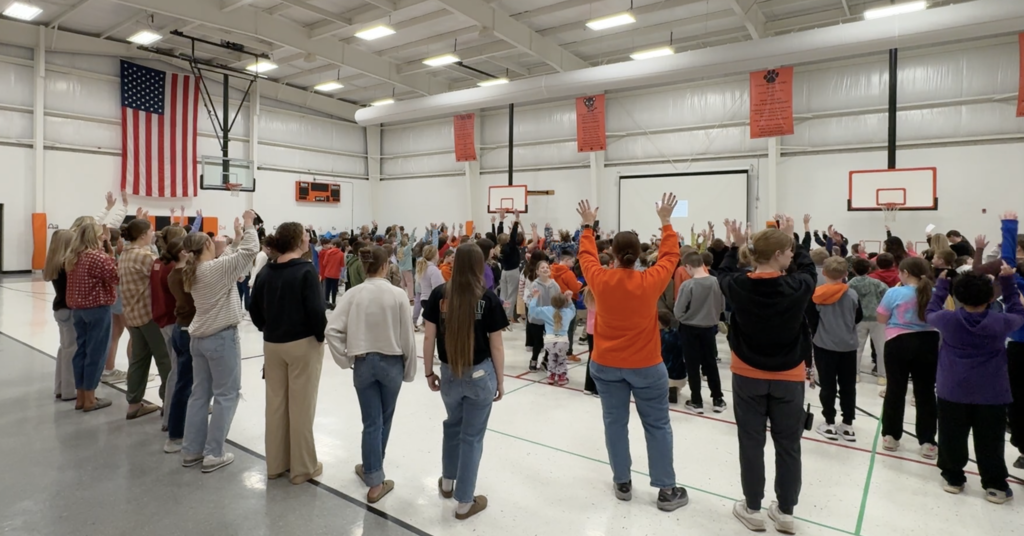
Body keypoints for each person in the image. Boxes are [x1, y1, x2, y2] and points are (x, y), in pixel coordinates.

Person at [576, 195, 688, 512]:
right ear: (639, 254)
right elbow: (671, 255)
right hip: (646, 366)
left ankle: (622, 482)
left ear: (612, 254)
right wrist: (666, 222)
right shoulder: (649, 281)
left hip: (605, 364)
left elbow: (586, 256)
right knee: (657, 426)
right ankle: (666, 489)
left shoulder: (600, 279)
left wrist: (587, 226)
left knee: (615, 424)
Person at [716, 216, 814, 534]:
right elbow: (809, 269)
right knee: (789, 444)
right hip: (789, 376)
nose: (792, 254)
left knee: (751, 441)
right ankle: (785, 512)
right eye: (788, 250)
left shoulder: (739, 286)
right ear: (778, 255)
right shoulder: (797, 286)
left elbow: (723, 271)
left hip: (748, 373)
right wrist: (794, 237)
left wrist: (734, 244)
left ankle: (753, 508)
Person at [422, 243, 507, 520]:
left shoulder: (439, 295)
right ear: (479, 265)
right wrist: (500, 381)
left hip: (448, 373)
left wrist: (428, 372)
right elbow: (497, 346)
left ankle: (448, 482)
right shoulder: (488, 298)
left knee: (452, 426)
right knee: (472, 437)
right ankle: (464, 502)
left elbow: (429, 337)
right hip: (480, 375)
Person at [326, 246, 417, 503]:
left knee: (371, 422)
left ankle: (371, 468)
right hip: (391, 364)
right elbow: (407, 337)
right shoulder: (398, 295)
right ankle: (375, 479)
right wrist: (409, 370)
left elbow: (331, 330)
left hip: (363, 363)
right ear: (386, 266)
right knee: (384, 420)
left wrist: (345, 359)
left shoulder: (353, 294)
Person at [928, 266, 1023, 503]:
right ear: (991, 298)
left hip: (953, 388)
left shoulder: (947, 319)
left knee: (951, 434)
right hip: (991, 391)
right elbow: (1018, 311)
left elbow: (930, 310)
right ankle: (995, 484)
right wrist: (1009, 283)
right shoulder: (1000, 322)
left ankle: (953, 478)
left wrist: (941, 286)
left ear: (958, 296)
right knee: (991, 439)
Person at [179, 210, 259, 473]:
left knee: (200, 394)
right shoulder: (215, 269)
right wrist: (249, 225)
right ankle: (214, 453)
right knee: (227, 394)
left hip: (199, 339)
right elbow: (250, 251)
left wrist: (236, 237)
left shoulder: (196, 270)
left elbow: (228, 260)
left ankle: (191, 450)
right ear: (206, 245)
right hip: (220, 338)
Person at [250, 222, 328, 485]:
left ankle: (275, 464)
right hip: (302, 344)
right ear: (297, 241)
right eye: (306, 236)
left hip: (272, 344)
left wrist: (267, 328)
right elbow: (316, 311)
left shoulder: (266, 271)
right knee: (301, 406)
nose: (308, 239)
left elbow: (253, 308)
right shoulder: (306, 271)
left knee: (275, 405)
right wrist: (320, 336)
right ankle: (302, 467)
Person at [877, 257, 940, 459]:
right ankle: (928, 441)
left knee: (895, 390)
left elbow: (881, 318)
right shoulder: (936, 292)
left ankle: (890, 436)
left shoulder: (894, 292)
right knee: (926, 392)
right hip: (929, 342)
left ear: (905, 273)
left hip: (898, 342)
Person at [118, 218, 173, 420]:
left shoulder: (124, 254)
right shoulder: (145, 257)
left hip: (132, 314)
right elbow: (166, 273)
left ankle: (133, 404)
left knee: (138, 360)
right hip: (149, 316)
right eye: (151, 232)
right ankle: (170, 403)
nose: (153, 235)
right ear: (143, 235)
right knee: (165, 360)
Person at [65, 222, 120, 412]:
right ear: (95, 237)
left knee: (81, 351)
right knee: (96, 353)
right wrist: (112, 255)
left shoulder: (73, 256)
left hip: (78, 310)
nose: (104, 237)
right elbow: (116, 278)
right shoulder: (97, 257)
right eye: (101, 235)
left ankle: (80, 396)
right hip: (97, 309)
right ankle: (90, 398)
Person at [811, 256, 863, 442]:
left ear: (824, 273)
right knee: (848, 386)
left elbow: (812, 320)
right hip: (848, 346)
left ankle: (829, 422)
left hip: (824, 345)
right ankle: (847, 424)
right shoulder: (852, 294)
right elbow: (858, 317)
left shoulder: (816, 295)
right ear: (846, 273)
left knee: (827, 385)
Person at [674, 251, 726, 414]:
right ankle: (717, 399)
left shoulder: (687, 285)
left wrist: (687, 317)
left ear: (688, 266)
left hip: (689, 329)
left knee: (692, 364)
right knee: (710, 363)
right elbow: (722, 306)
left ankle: (696, 400)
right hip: (709, 328)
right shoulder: (716, 282)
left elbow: (678, 311)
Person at [164, 237, 195, 454]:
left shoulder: (173, 273)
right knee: (184, 384)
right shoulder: (186, 275)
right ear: (184, 253)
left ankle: (181, 427)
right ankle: (176, 435)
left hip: (180, 327)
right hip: (186, 330)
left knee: (185, 382)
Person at [44, 229, 77, 402]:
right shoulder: (68, 265)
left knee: (64, 348)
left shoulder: (53, 263)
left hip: (59, 308)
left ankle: (60, 386)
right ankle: (69, 390)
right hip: (70, 308)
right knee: (71, 350)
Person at [848, 257, 889, 388]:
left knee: (857, 348)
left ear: (853, 270)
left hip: (858, 319)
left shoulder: (850, 284)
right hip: (877, 318)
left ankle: (855, 374)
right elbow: (887, 295)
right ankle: (882, 376)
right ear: (869, 269)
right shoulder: (877, 283)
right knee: (881, 348)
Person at [527, 291, 576, 386]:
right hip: (563, 341)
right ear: (564, 303)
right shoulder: (568, 312)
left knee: (551, 358)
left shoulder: (546, 310)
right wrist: (569, 299)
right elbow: (573, 310)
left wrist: (535, 297)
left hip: (549, 340)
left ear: (551, 302)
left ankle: (550, 377)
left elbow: (532, 310)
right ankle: (561, 377)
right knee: (561, 360)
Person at [527, 259, 563, 372]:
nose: (545, 269)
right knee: (538, 342)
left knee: (550, 341)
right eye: (542, 268)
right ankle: (534, 359)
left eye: (547, 267)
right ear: (537, 272)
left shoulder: (554, 285)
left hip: (550, 318)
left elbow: (559, 300)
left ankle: (546, 360)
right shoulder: (534, 284)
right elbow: (529, 300)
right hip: (537, 318)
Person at [497, 210, 522, 322]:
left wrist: (501, 221)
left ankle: (501, 314)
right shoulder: (510, 247)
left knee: (503, 293)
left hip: (504, 272)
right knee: (511, 294)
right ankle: (507, 316)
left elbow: (499, 234)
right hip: (513, 272)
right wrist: (516, 220)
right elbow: (513, 234)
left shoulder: (500, 247)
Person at [414, 245, 445, 331]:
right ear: (435, 255)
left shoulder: (422, 268)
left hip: (424, 298)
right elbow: (437, 288)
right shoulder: (433, 269)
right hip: (432, 300)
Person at [657, 311, 685, 403]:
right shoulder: (675, 332)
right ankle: (675, 388)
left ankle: (668, 387)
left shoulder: (660, 337)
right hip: (682, 376)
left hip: (667, 375)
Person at [319, 238, 345, 308]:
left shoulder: (328, 252)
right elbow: (342, 265)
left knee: (327, 289)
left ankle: (327, 302)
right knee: (334, 289)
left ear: (334, 245)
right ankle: (333, 303)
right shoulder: (341, 254)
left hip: (328, 273)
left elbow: (324, 263)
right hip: (336, 274)